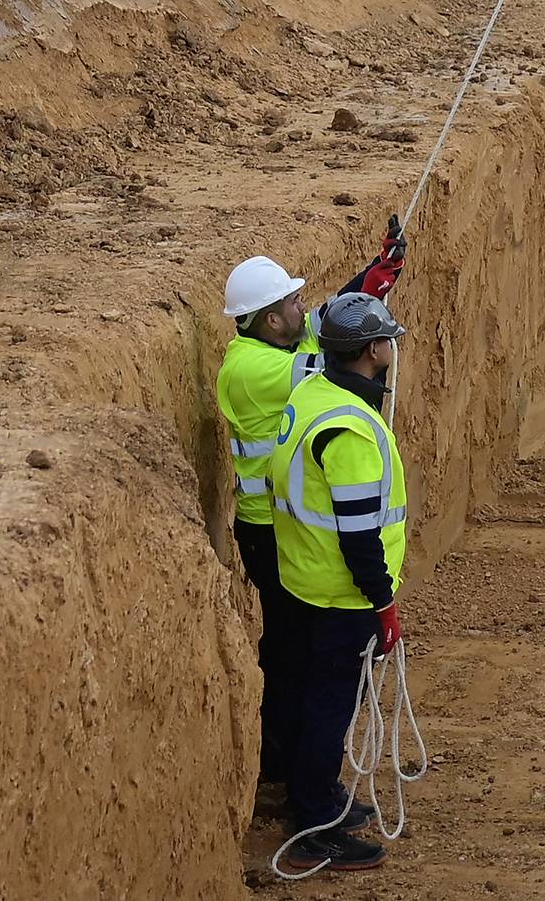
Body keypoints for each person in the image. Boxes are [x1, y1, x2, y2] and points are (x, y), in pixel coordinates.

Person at [269, 289, 411, 874]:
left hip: (303, 580)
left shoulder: (313, 393)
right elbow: (358, 534)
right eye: (388, 340)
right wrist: (383, 603)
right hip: (340, 594)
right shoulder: (350, 429)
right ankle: (316, 824)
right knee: (329, 707)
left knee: (310, 695)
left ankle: (314, 795)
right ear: (373, 351)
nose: (393, 348)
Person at [217, 256, 318, 815]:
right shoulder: (257, 370)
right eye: (293, 302)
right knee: (291, 651)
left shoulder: (266, 349)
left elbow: (323, 325)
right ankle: (280, 771)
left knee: (289, 646)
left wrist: (377, 273)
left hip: (271, 526)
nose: (302, 307)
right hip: (268, 530)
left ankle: (280, 766)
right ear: (272, 320)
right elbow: (335, 357)